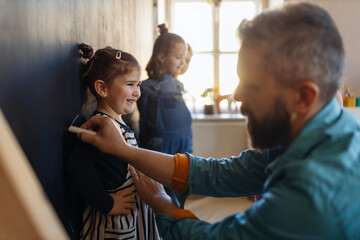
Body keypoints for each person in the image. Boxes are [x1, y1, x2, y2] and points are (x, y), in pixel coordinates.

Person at [76, 3, 360, 239]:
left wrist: (160, 201)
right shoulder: (315, 132)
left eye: (252, 85)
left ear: (304, 97)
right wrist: (126, 152)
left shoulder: (310, 201)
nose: (236, 96)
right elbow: (218, 174)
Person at [68, 43, 161, 240]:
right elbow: (78, 167)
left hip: (131, 217)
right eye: (130, 84)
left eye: (138, 85)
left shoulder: (117, 122)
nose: (137, 92)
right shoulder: (99, 126)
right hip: (115, 224)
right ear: (102, 88)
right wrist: (108, 204)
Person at [137, 24, 193, 205]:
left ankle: (179, 219)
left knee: (182, 186)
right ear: (161, 57)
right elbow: (145, 125)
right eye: (178, 57)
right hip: (160, 145)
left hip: (183, 142)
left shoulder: (178, 86)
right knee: (163, 190)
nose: (182, 63)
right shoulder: (147, 88)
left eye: (184, 58)